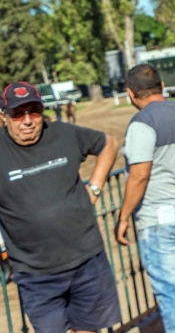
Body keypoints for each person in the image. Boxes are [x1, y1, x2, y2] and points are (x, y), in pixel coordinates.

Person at [0, 81, 121, 333]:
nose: (27, 120)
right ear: (4, 117)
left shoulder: (64, 134)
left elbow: (109, 144)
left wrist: (94, 189)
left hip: (87, 260)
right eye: (18, 114)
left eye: (33, 111)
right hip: (35, 274)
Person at [115, 65, 175, 333]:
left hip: (157, 221)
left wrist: (123, 218)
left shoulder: (142, 123)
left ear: (130, 93)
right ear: (162, 86)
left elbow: (139, 175)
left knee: (170, 291)